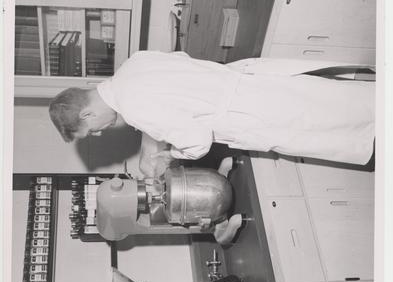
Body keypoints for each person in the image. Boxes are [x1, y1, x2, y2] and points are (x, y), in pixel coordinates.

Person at [49, 51, 375, 177]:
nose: (100, 133)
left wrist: (168, 156)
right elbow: (182, 68)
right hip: (251, 82)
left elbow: (199, 141)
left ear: (88, 115)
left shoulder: (132, 110)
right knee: (347, 101)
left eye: (91, 131)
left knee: (350, 127)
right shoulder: (133, 62)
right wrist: (157, 138)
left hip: (252, 113)